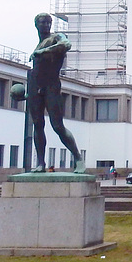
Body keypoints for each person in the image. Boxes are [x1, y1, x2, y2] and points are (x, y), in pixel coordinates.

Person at [27, 13, 86, 173]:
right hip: (35, 88)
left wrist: (44, 51)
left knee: (58, 126)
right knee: (38, 125)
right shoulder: (38, 44)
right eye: (42, 22)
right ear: (36, 25)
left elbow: (66, 44)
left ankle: (78, 158)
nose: (45, 25)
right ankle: (40, 163)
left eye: (48, 22)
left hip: (51, 87)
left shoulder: (56, 38)